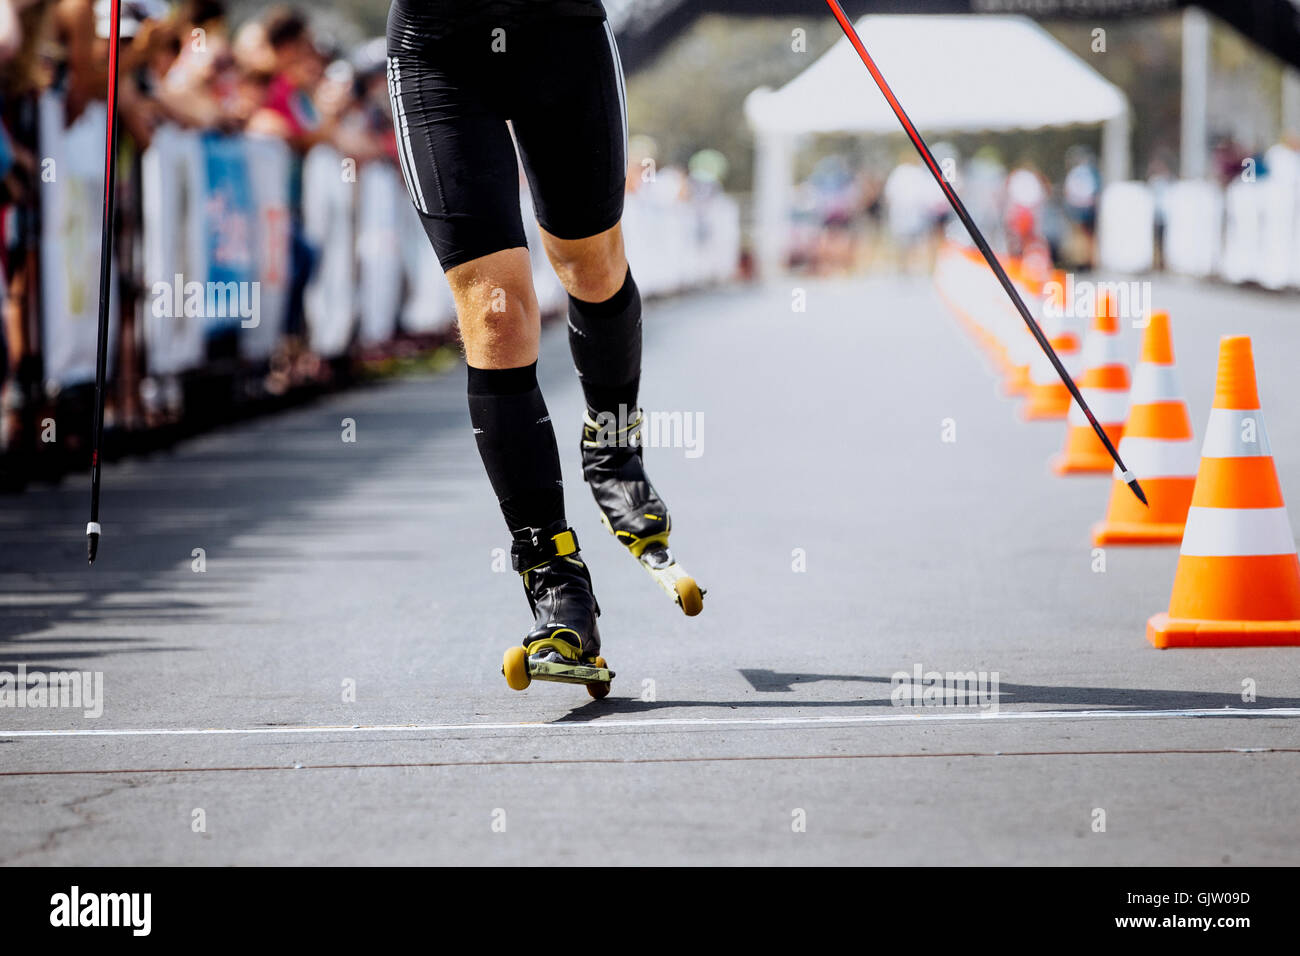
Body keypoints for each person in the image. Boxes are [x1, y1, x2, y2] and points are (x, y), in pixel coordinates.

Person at [385, 0, 673, 672]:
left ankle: (613, 446)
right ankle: (552, 574)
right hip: (439, 52)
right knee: (494, 313)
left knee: (590, 264)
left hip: (561, 34)